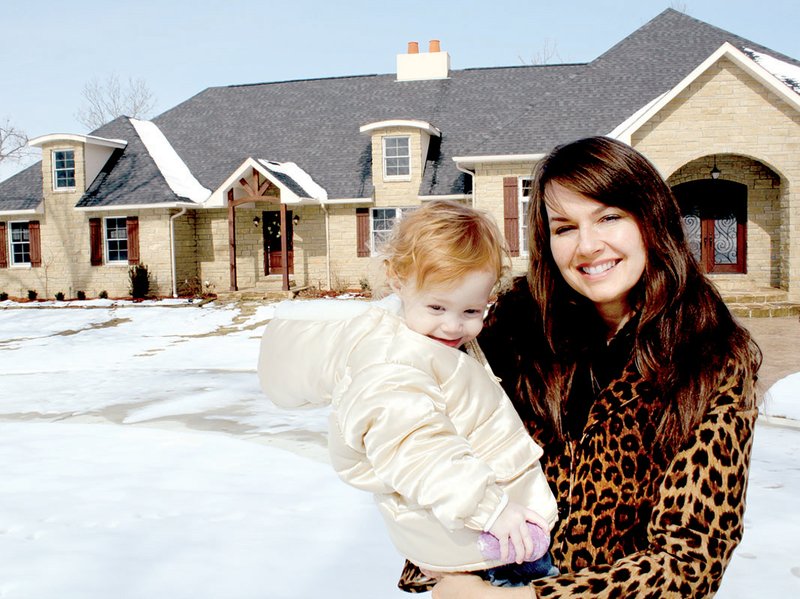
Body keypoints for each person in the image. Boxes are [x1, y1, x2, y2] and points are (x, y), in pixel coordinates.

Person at [409, 137, 762, 598]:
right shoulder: (513, 330)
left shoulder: (712, 355)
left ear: (650, 218)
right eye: (564, 227)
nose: (588, 246)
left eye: (609, 217)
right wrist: (446, 572)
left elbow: (691, 560)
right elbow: (428, 441)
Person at [257, 200, 559, 586]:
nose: (452, 326)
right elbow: (415, 448)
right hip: (482, 538)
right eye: (437, 306)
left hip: (488, 532)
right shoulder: (391, 364)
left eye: (471, 312)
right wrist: (491, 509)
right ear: (397, 280)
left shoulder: (422, 341)